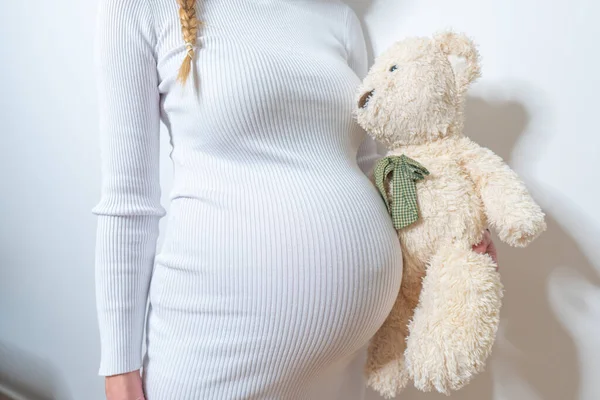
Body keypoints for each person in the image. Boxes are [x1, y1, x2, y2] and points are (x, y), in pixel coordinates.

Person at [91, 0, 498, 399]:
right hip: (213, 344)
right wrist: (119, 370)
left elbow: (370, 162)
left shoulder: (340, 18)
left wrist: (438, 241)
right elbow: (129, 205)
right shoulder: (140, 6)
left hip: (342, 366)